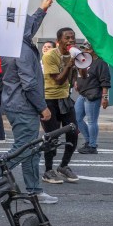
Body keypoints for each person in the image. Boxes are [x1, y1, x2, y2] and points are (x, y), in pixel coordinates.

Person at [0, 0, 58, 205]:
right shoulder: (21, 49)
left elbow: (31, 23)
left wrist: (42, 8)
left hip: (18, 105)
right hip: (24, 106)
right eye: (27, 24)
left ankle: (34, 190)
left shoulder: (15, 43)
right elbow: (30, 84)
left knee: (30, 149)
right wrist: (43, 107)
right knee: (23, 150)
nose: (32, 27)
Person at [41, 27, 80, 184]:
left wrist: (81, 63)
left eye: (73, 38)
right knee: (52, 136)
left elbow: (79, 76)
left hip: (64, 98)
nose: (70, 41)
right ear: (59, 41)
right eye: (67, 38)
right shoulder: (50, 55)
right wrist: (70, 64)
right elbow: (57, 79)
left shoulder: (73, 54)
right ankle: (48, 171)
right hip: (49, 99)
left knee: (73, 131)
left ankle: (64, 166)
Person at [74, 44, 111, 154]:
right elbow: (78, 74)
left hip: (93, 95)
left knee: (91, 121)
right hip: (83, 94)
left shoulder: (101, 63)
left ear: (95, 50)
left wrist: (105, 97)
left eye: (89, 48)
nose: (86, 50)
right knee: (76, 118)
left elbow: (105, 81)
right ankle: (89, 141)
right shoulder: (83, 60)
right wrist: (76, 82)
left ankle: (92, 145)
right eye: (84, 48)